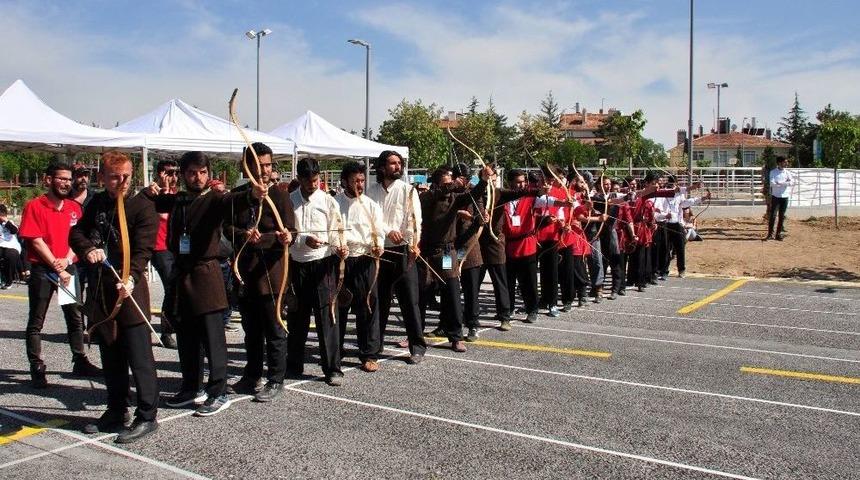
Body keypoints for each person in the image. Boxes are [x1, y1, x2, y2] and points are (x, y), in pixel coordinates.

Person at [147, 151, 267, 416]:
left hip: (207, 275)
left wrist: (253, 194)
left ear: (209, 174)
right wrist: (152, 190)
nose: (197, 177)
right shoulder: (179, 199)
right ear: (183, 174)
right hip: (183, 275)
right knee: (187, 338)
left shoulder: (215, 199)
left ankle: (218, 391)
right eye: (192, 172)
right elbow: (157, 203)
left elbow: (233, 200)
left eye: (202, 172)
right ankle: (192, 387)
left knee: (213, 338)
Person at [69, 151, 160, 443]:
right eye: (114, 177)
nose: (121, 182)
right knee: (111, 354)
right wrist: (88, 249)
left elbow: (144, 249)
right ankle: (116, 410)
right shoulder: (97, 202)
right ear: (101, 178)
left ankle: (147, 415)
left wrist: (131, 277)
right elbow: (76, 233)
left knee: (139, 355)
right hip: (104, 291)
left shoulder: (143, 206)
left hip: (128, 289)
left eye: (126, 176)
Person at [18, 163, 101, 389]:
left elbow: (81, 237)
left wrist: (67, 258)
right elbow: (35, 239)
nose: (66, 183)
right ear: (48, 180)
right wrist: (57, 265)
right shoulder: (35, 206)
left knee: (74, 316)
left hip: (67, 267)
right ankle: (37, 366)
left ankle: (80, 360)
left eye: (68, 179)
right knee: (37, 320)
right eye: (61, 178)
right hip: (43, 270)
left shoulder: (74, 208)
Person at [224, 142, 295, 402]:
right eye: (260, 165)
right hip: (246, 274)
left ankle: (275, 379)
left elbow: (291, 232)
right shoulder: (238, 196)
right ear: (248, 167)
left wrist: (284, 237)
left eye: (268, 165)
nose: (265, 170)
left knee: (274, 329)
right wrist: (244, 234)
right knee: (251, 330)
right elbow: (227, 229)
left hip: (273, 275)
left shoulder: (280, 195)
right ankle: (251, 376)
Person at [287, 157, 347, 386]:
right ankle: (294, 364)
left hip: (323, 264)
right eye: (308, 181)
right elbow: (288, 234)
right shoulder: (290, 200)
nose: (312, 185)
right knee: (297, 316)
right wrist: (303, 239)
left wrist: (340, 246)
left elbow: (336, 230)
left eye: (315, 180)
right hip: (298, 263)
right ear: (299, 179)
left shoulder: (328, 201)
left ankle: (332, 368)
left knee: (327, 316)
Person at [418, 165, 491, 352]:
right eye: (446, 182)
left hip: (446, 252)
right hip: (426, 252)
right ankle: (415, 335)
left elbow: (473, 196)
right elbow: (433, 196)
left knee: (451, 291)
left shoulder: (455, 199)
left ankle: (456, 336)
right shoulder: (425, 197)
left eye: (451, 181)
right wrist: (451, 185)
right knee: (421, 294)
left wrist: (483, 180)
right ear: (436, 184)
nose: (450, 185)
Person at [366, 150, 427, 364]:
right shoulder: (370, 191)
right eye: (392, 163)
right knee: (379, 302)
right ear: (382, 167)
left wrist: (412, 243)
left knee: (410, 301)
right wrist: (387, 230)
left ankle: (417, 347)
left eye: (399, 163)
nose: (397, 167)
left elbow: (414, 220)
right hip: (380, 252)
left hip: (403, 251)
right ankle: (374, 347)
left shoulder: (408, 190)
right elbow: (370, 219)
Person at [334, 161, 385, 372]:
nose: (359, 185)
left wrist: (378, 247)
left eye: (362, 180)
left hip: (365, 260)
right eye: (355, 181)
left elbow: (379, 232)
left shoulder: (371, 205)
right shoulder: (334, 203)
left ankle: (369, 353)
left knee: (368, 305)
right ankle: (335, 351)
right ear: (344, 181)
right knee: (339, 308)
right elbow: (329, 231)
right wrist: (338, 247)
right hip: (341, 261)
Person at [148, 159, 179, 349]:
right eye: (169, 172)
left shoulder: (177, 193)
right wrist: (164, 190)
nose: (173, 177)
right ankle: (167, 332)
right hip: (160, 247)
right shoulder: (153, 193)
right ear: (160, 174)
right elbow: (163, 215)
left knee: (178, 287)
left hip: (176, 246)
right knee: (171, 287)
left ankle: (175, 325)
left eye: (176, 173)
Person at [766, 156, 794, 241]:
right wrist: (783, 183)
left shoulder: (787, 172)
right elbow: (772, 183)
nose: (786, 163)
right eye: (785, 162)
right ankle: (770, 234)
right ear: (779, 163)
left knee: (782, 216)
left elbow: (792, 182)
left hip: (785, 196)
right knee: (773, 216)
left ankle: (778, 234)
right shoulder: (773, 172)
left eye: (786, 162)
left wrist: (782, 183)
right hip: (776, 196)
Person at [0, 204, 21, 288]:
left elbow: (14, 231)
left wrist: (5, 221)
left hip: (11, 246)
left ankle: (9, 280)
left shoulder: (9, 223)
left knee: (11, 255)